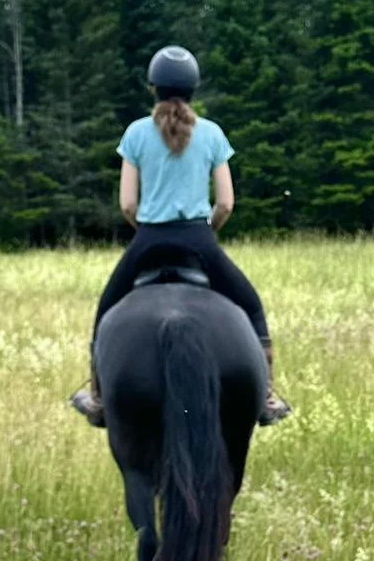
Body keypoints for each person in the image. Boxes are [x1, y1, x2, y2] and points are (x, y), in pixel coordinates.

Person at [70, 45, 291, 427]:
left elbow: (126, 204)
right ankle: (267, 395)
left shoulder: (136, 133)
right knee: (252, 306)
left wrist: (148, 229)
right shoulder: (212, 134)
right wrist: (206, 231)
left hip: (149, 239)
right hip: (199, 240)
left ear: (153, 88)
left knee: (106, 310)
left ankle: (99, 395)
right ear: (193, 89)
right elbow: (225, 204)